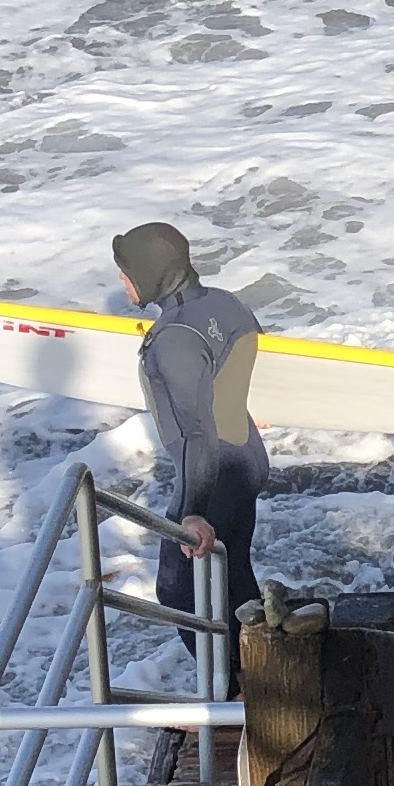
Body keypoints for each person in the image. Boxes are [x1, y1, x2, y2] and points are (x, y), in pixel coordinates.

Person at [110, 221, 269, 654]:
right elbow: (239, 361)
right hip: (247, 458)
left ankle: (231, 694)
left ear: (152, 271)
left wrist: (194, 512)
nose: (123, 282)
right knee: (234, 581)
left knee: (181, 592)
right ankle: (258, 679)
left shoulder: (174, 337)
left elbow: (197, 434)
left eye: (127, 272)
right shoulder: (224, 303)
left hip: (212, 473)